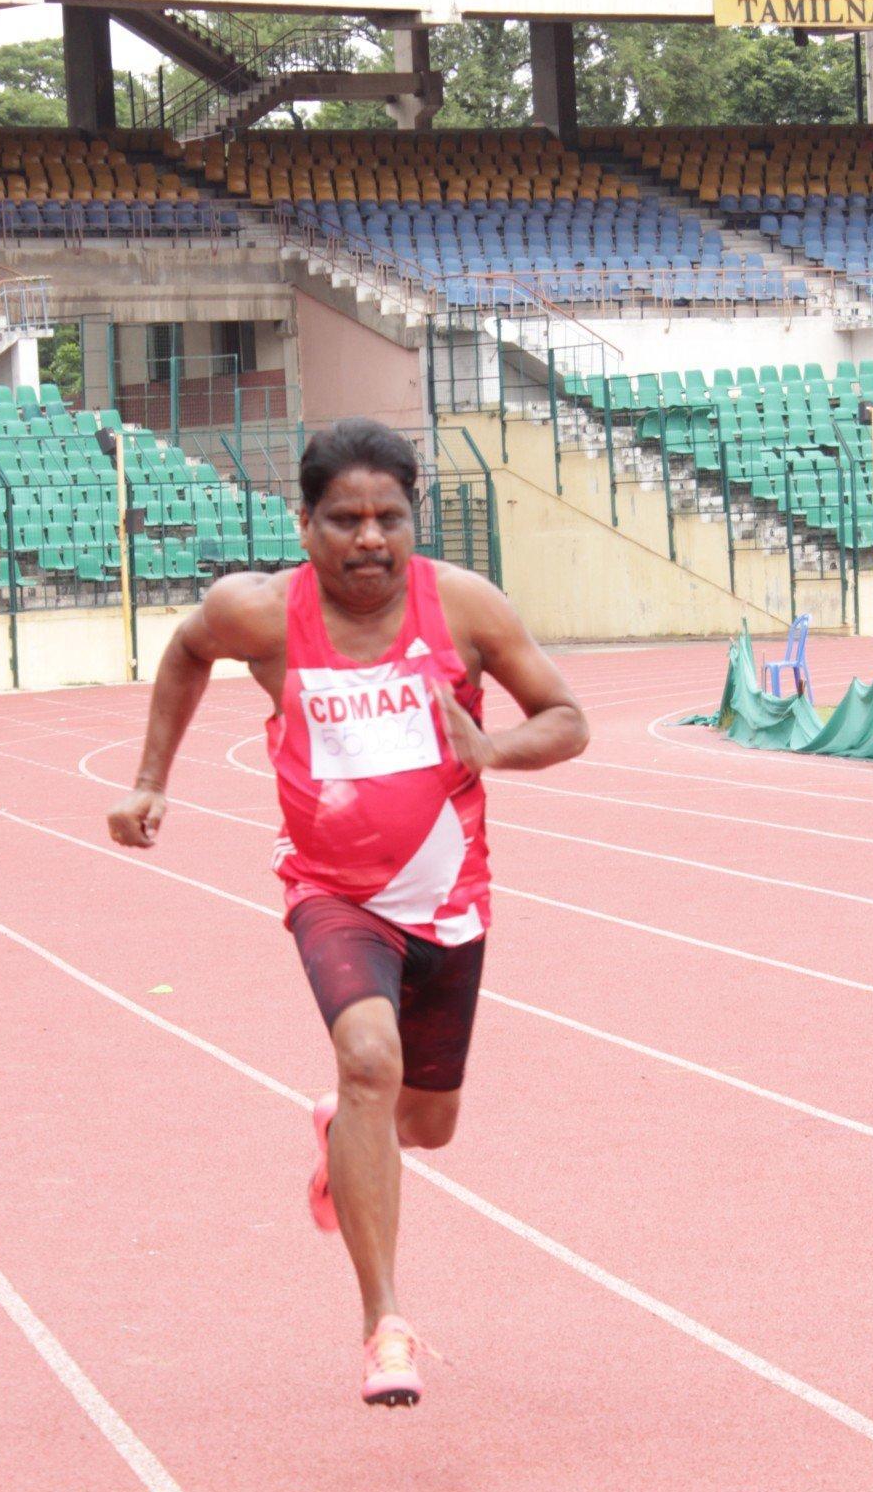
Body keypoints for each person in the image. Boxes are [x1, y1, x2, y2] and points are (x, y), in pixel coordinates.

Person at [107, 417, 588, 1409]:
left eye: (389, 518)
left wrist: (491, 751)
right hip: (330, 891)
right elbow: (187, 653)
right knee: (370, 1060)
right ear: (305, 523)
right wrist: (152, 780)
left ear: (413, 518)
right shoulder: (260, 614)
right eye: (345, 520)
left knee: (431, 1123)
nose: (369, 539)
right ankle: (386, 1325)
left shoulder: (464, 608)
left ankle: (344, 1136)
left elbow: (567, 718)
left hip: (447, 899)